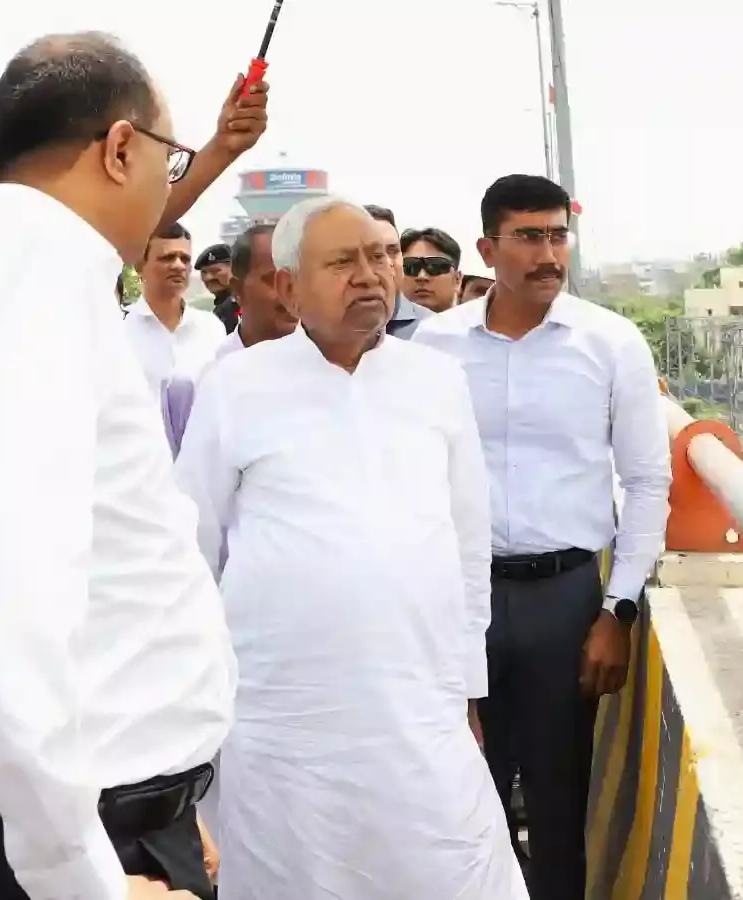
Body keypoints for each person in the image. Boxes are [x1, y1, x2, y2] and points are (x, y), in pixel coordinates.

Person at [0, 32, 255, 900]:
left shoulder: (1, 268)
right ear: (120, 149)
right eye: (170, 159)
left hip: (77, 811)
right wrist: (86, 876)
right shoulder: (36, 285)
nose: (166, 184)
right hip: (62, 847)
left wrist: (160, 792)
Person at [174, 195, 526, 900]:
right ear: (288, 287)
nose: (370, 275)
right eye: (342, 262)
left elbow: (466, 545)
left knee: (446, 863)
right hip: (282, 714)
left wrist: (467, 686)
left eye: (378, 256)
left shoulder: (435, 381)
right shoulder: (236, 385)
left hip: (417, 701)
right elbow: (190, 549)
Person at [413, 174, 671, 900]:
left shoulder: (611, 343)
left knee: (560, 804)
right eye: (529, 237)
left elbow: (647, 481)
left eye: (558, 235)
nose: (548, 254)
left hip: (564, 601)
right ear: (488, 249)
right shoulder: (433, 348)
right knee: (462, 799)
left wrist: (618, 611)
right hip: (457, 600)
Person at [123, 223, 228, 395]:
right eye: (167, 258)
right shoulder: (119, 329)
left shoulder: (211, 328)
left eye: (185, 259)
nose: (179, 266)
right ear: (140, 267)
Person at [363, 205, 432, 338]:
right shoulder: (326, 329)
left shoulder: (434, 330)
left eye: (393, 251)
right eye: (376, 254)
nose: (389, 262)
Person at [398, 227, 462, 313]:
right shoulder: (381, 321)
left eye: (435, 266)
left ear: (457, 280)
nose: (421, 276)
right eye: (411, 267)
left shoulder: (476, 320)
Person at [195, 244, 238, 334]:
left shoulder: (242, 305)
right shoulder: (222, 307)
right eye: (204, 272)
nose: (208, 278)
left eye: (215, 271)